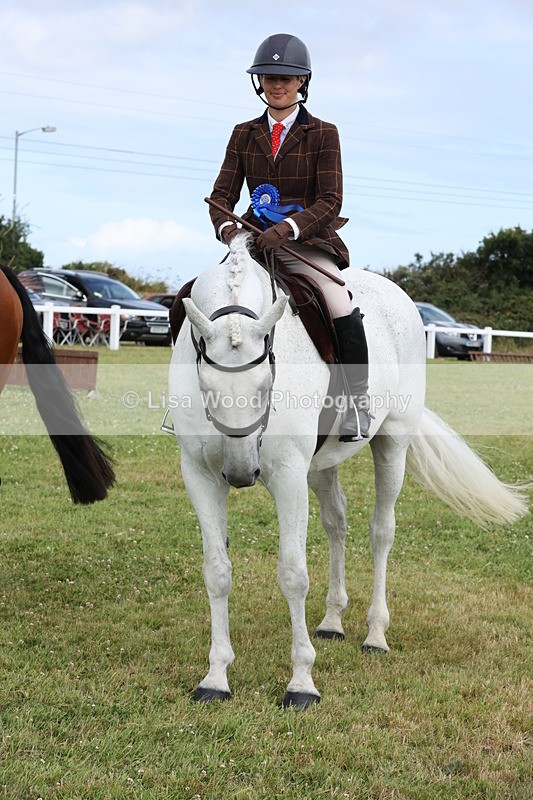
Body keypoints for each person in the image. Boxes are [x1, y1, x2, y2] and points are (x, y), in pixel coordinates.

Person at [208, 33, 370, 440]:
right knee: (202, 296)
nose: (277, 85)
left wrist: (290, 227)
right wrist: (230, 232)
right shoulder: (243, 133)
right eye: (268, 77)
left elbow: (331, 199)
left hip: (307, 241)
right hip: (252, 241)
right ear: (259, 82)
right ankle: (188, 399)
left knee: (339, 303)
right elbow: (222, 195)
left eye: (286, 78)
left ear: (302, 82)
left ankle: (357, 402)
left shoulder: (323, 133)